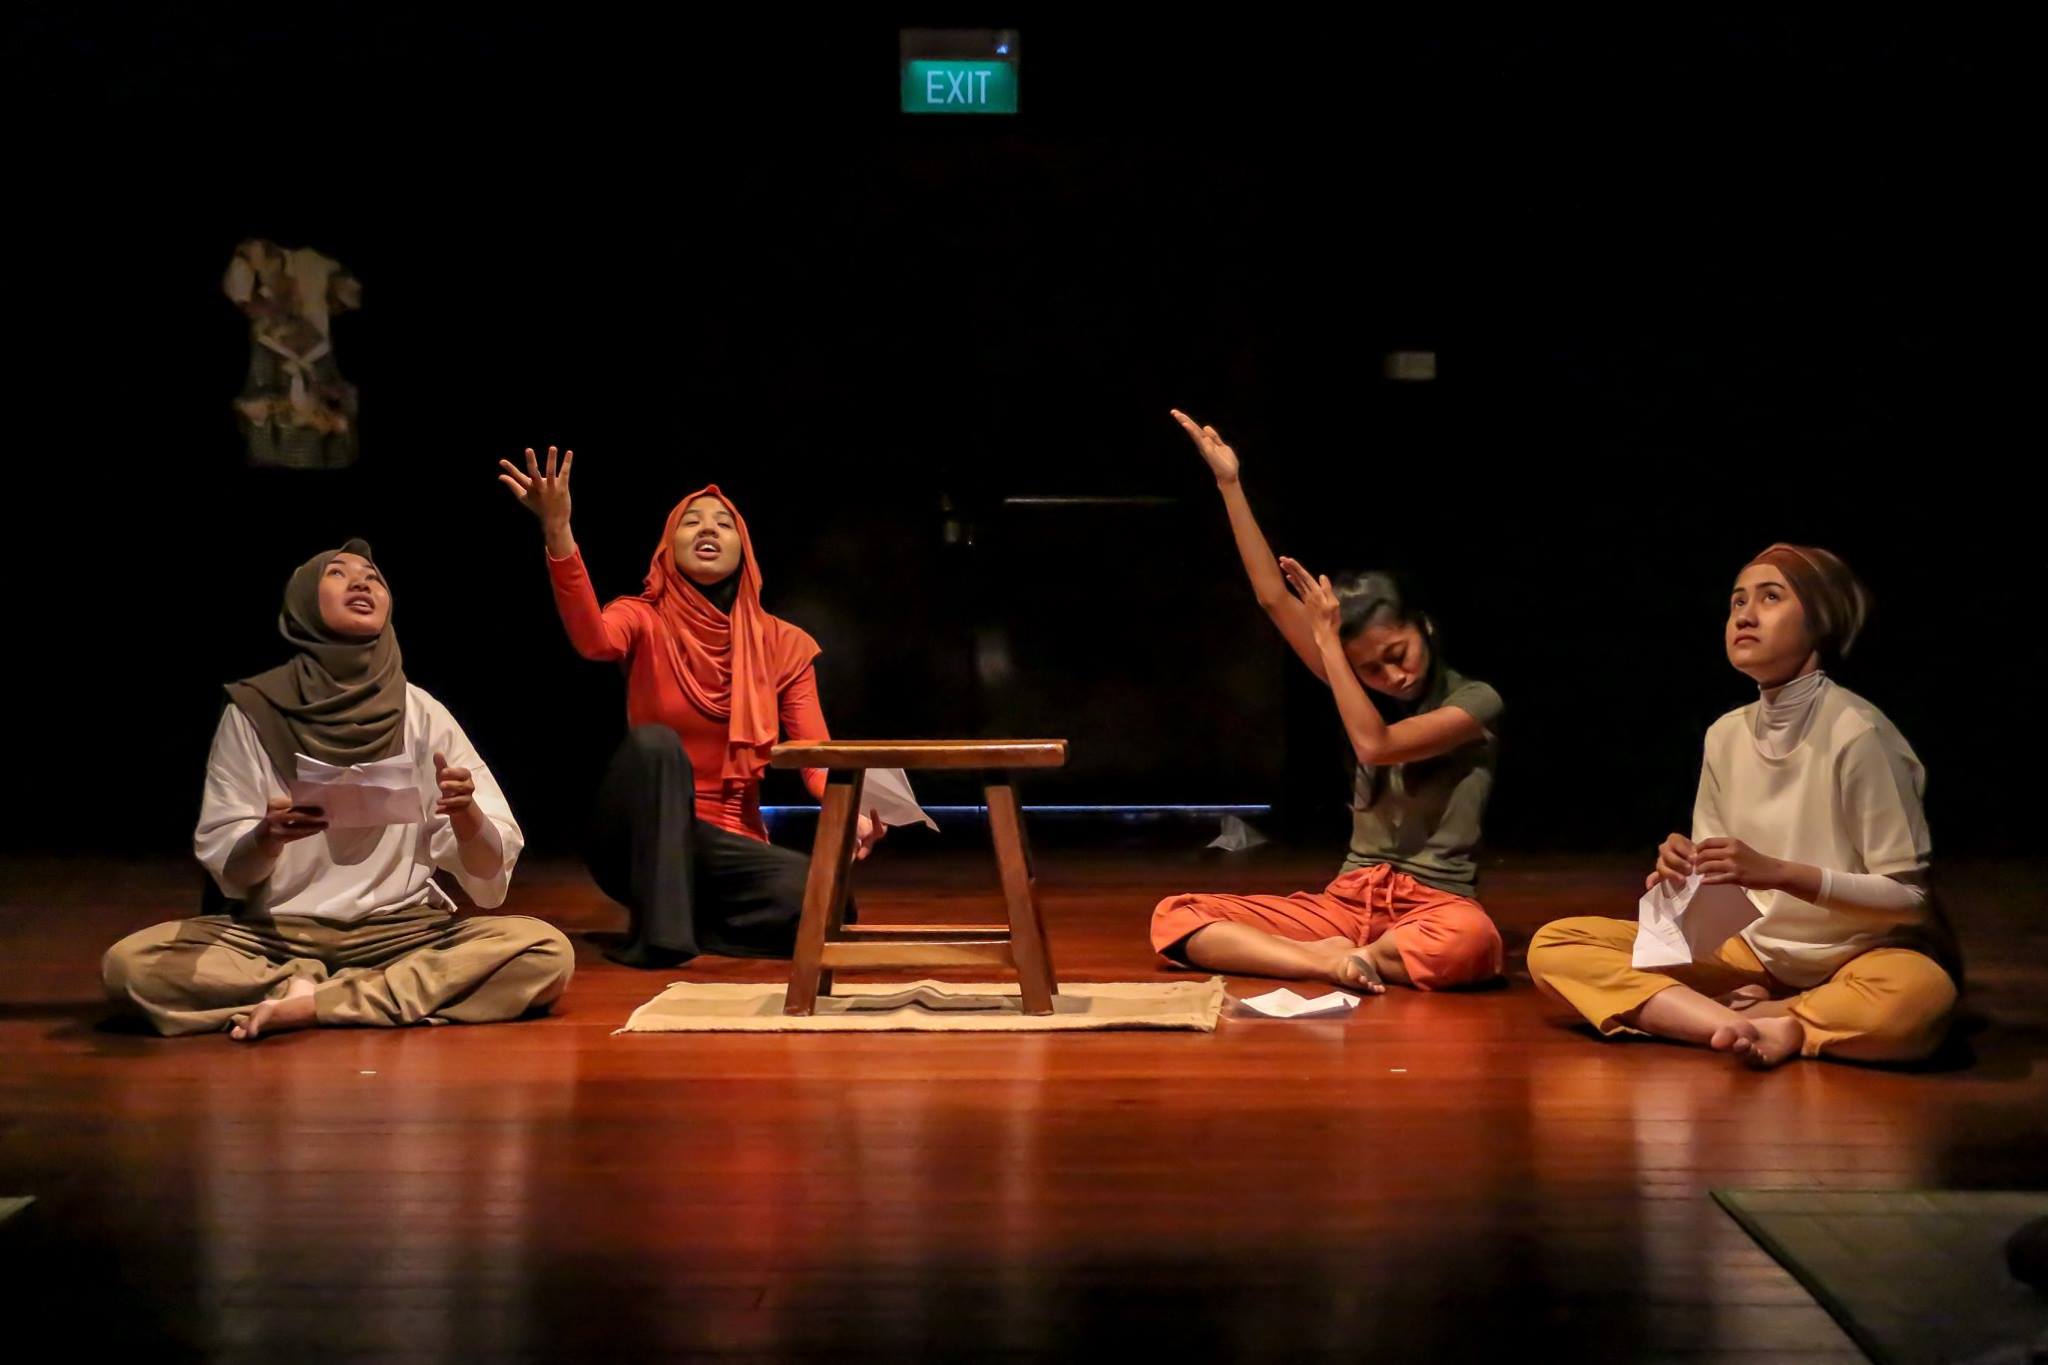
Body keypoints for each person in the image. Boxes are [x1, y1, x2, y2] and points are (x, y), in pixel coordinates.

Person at [102, 541, 571, 1040]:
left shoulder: (421, 712)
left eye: (373, 576)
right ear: (303, 600)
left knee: (545, 951)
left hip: (399, 932)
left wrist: (467, 815)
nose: (362, 582)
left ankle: (314, 1001)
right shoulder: (253, 711)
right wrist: (267, 835)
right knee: (131, 967)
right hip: (276, 936)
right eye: (338, 573)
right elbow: (230, 871)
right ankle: (342, 990)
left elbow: (486, 875)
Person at [1526, 544, 1957, 1068]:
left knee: (1916, 998)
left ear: (1819, 620)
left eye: (1770, 598)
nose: (1745, 616)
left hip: (1854, 959)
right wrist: (1682, 878)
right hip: (1749, 952)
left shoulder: (1859, 733)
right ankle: (1742, 1025)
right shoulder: (1725, 734)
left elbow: (1908, 896)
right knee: (1557, 944)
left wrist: (1776, 872)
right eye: (1736, 603)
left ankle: (1778, 1014)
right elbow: (1722, 889)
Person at [1148, 412, 1505, 994]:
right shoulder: (1354, 685)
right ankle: (1331, 962)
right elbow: (1271, 597)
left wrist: (1332, 650)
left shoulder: (1476, 702)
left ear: (1427, 629)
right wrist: (1230, 485)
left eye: (1398, 652)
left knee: (1472, 943)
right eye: (1370, 667)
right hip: (1345, 900)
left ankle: (1340, 956)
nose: (1391, 675)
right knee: (1176, 916)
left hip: (1433, 905)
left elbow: (1377, 744)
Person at [498, 446, 881, 968]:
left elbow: (816, 757)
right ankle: (661, 938)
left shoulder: (785, 644)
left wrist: (851, 809)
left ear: (744, 551)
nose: (707, 530)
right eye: (691, 523)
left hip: (724, 843)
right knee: (656, 744)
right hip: (638, 836)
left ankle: (689, 924)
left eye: (724, 524)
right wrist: (558, 529)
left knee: (832, 901)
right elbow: (593, 640)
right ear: (666, 548)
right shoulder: (641, 617)